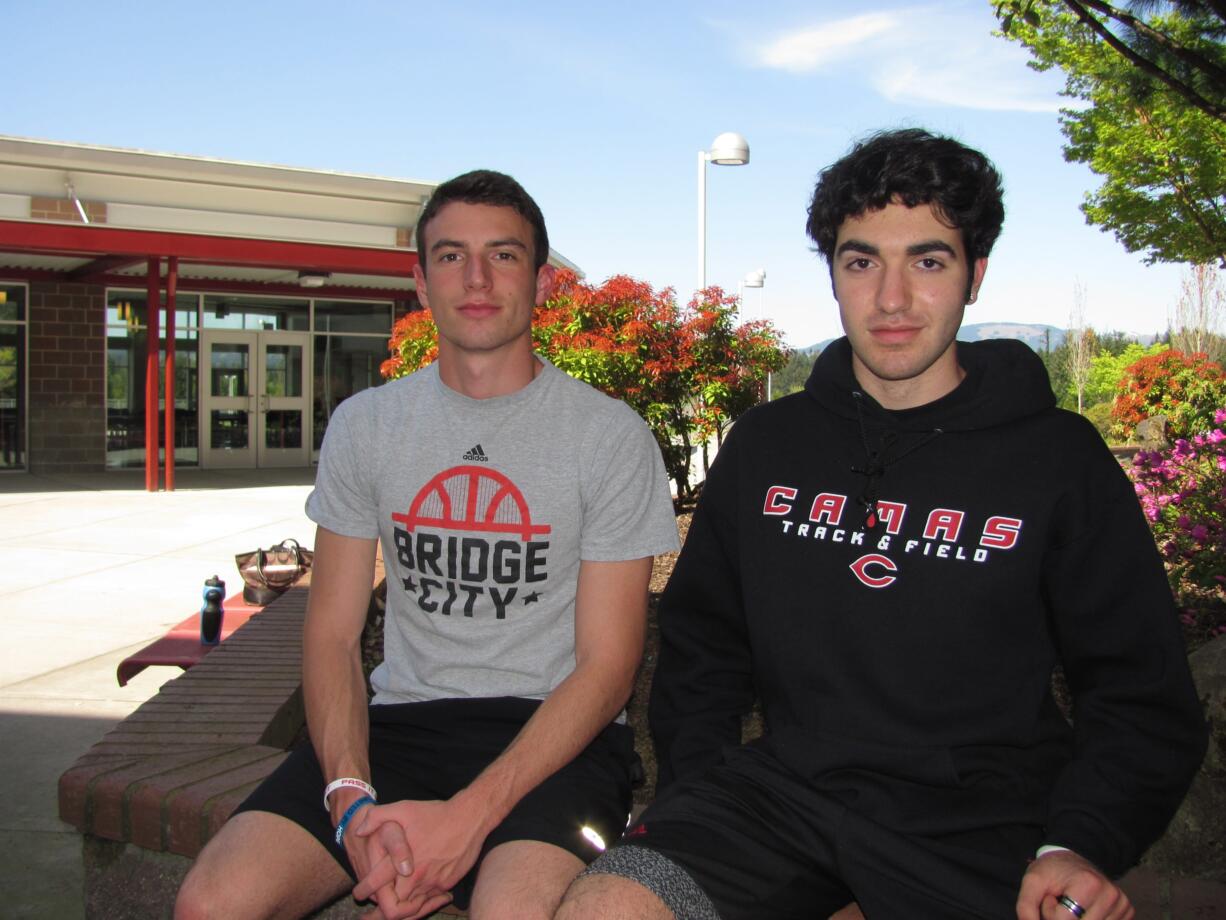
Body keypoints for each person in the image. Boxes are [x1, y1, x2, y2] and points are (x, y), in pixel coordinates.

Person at [554, 129, 1208, 920]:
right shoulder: (768, 445)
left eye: (928, 261)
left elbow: (1140, 693)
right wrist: (697, 798)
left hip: (983, 824)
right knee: (606, 907)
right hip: (781, 799)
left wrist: (1080, 841)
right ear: (832, 273)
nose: (891, 299)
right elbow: (702, 656)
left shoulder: (1057, 459)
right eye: (862, 262)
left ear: (976, 275)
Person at [176, 169, 679, 920]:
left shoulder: (607, 437)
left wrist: (469, 818)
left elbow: (608, 666)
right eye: (450, 256)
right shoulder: (367, 425)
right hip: (399, 725)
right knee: (213, 903)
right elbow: (334, 632)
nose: (476, 278)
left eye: (503, 256)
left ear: (543, 281)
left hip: (551, 741)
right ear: (419, 280)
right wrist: (349, 799)